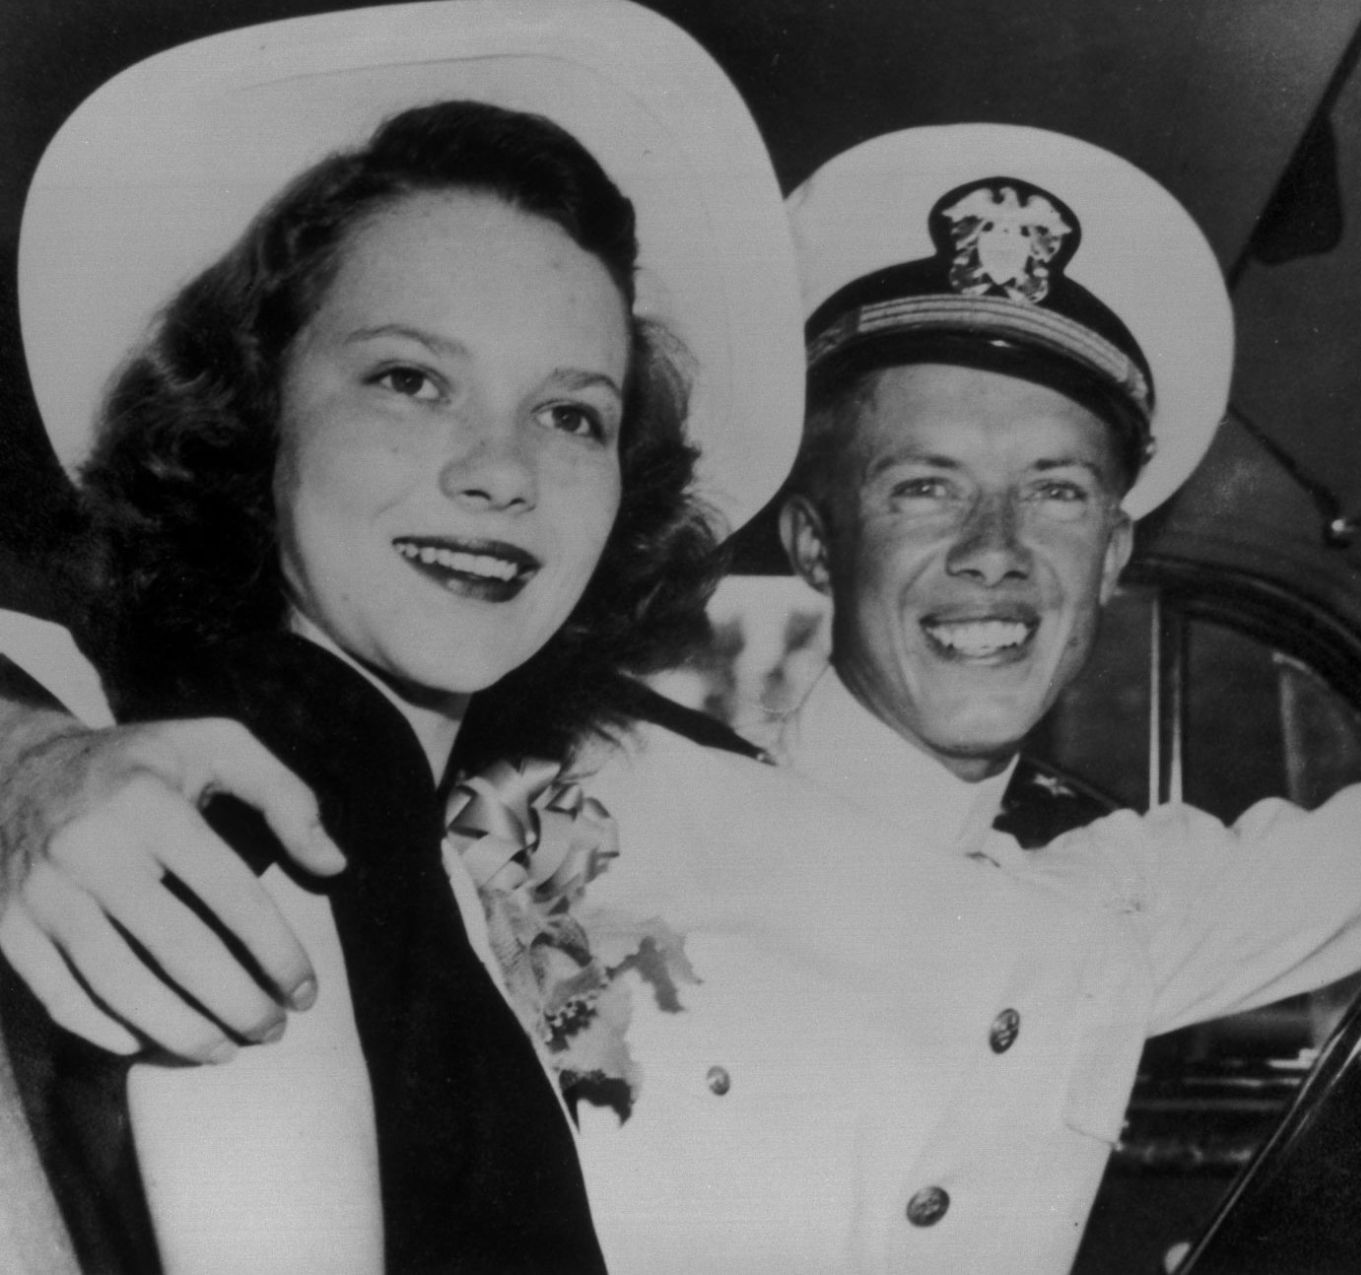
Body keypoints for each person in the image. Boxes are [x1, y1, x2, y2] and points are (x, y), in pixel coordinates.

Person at [5, 105, 1361, 1275]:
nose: (994, 556)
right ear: (814, 537)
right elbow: (132, 681)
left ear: (1117, 559)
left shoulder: (1118, 897)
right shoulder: (530, 773)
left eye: (1057, 494)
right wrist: (25, 756)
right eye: (922, 488)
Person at [0, 2, 803, 1271]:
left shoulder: (392, 835)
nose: (501, 471)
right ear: (259, 419)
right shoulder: (258, 840)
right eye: (409, 379)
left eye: (572, 414)